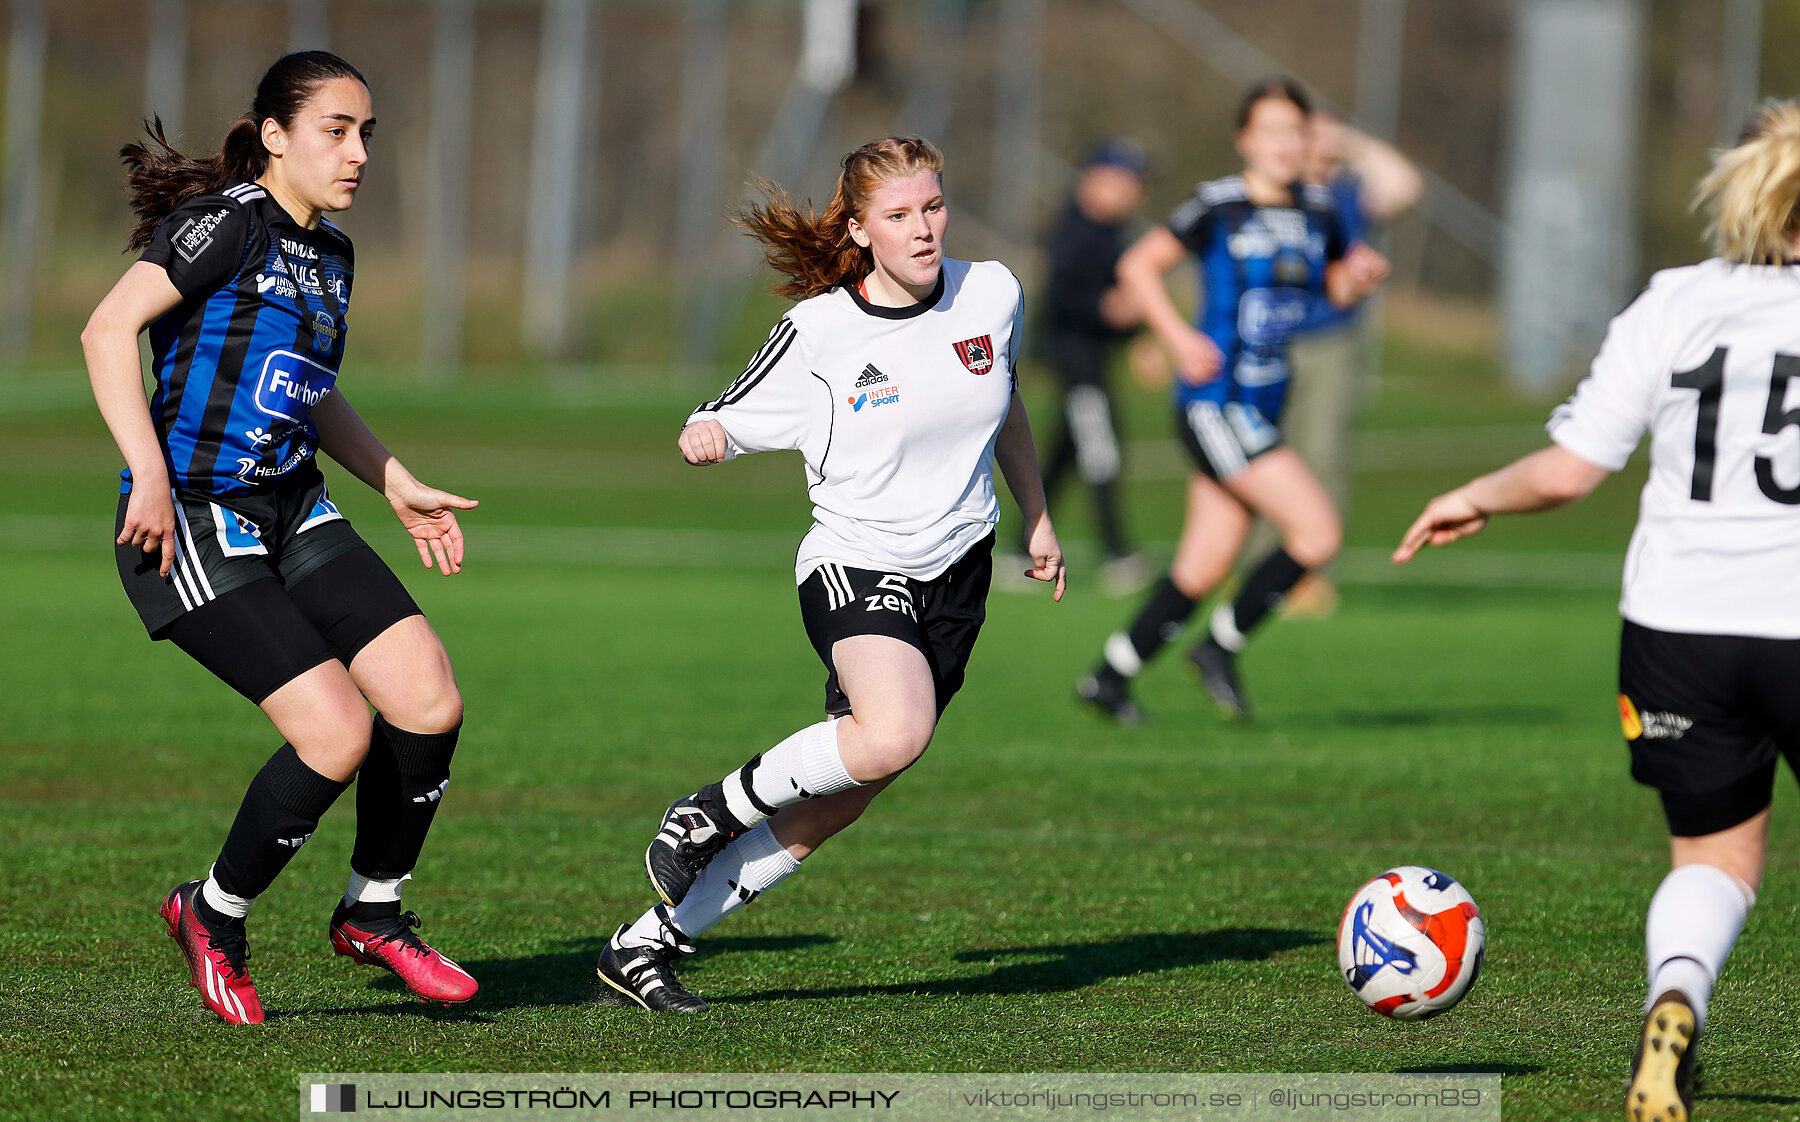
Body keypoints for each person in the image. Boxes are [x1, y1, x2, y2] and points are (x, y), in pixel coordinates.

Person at [1394, 100, 1800, 1121]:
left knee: (1715, 860)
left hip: (1679, 630)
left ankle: (1676, 1000)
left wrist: (1474, 494)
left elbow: (1574, 471)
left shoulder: (1674, 301)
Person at [594, 136, 1065, 1013]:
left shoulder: (993, 292)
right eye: (898, 216)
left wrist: (1036, 514)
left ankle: (646, 943)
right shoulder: (823, 330)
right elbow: (728, 410)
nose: (923, 230)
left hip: (957, 579)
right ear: (860, 229)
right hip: (857, 563)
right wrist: (711, 434)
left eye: (933, 207)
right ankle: (707, 809)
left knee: (840, 799)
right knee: (892, 733)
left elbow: (1007, 403)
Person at [83, 52, 478, 1025]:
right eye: (336, 130)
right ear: (275, 134)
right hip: (190, 519)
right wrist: (149, 473)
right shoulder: (223, 225)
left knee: (427, 697)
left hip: (291, 505)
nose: (357, 153)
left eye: (365, 135)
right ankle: (211, 913)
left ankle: (373, 912)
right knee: (336, 732)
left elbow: (311, 386)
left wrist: (393, 481)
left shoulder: (331, 252)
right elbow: (106, 331)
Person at [1076, 78, 1389, 723]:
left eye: (1295, 132)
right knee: (1317, 530)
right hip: (1216, 402)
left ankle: (1109, 676)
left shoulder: (1321, 211)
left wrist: (1357, 284)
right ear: (1246, 140)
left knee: (1206, 561)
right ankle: (1219, 648)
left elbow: (1332, 292)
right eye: (1270, 131)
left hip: (1267, 399)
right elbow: (1138, 266)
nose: (1284, 145)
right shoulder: (1217, 206)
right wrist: (1178, 337)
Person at [1264, 112, 1423, 616]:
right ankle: (1256, 570)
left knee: (1322, 454)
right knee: (1264, 455)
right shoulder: (1273, 193)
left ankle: (1305, 573)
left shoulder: (1347, 197)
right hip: (1271, 338)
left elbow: (1405, 184)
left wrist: (1349, 140)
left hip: (1331, 341)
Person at [1034, 140, 1150, 586]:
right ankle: (1117, 553)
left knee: (1068, 452)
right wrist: (1105, 308)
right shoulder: (1077, 229)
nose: (1133, 191)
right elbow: (1063, 298)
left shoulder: (1111, 230)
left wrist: (1133, 334)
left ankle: (1015, 548)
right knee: (1101, 447)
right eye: (1124, 180)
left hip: (1093, 358)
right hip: (1074, 359)